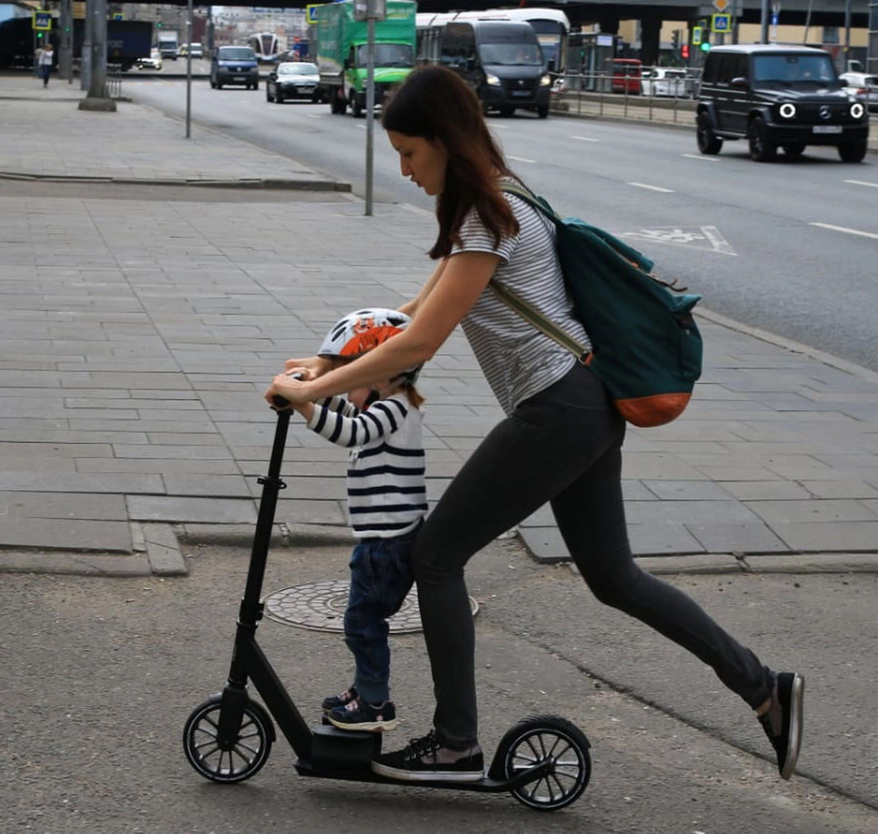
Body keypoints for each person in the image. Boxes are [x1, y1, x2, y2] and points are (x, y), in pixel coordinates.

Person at [264, 65, 805, 784]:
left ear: (447, 144)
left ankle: (456, 742)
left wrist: (317, 392)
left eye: (411, 154)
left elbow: (420, 344)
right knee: (615, 579)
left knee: (436, 555)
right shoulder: (493, 205)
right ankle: (764, 686)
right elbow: (407, 322)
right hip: (583, 407)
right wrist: (324, 362)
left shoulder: (486, 218)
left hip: (557, 411)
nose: (404, 168)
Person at [285, 308, 427, 734]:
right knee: (361, 622)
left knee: (363, 624)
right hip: (380, 541)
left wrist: (303, 405)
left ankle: (374, 704)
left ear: (382, 371)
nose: (345, 390)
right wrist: (308, 389)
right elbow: (344, 412)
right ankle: (365, 690)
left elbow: (350, 432)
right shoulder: (386, 401)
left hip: (388, 545)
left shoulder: (395, 411)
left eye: (351, 377)